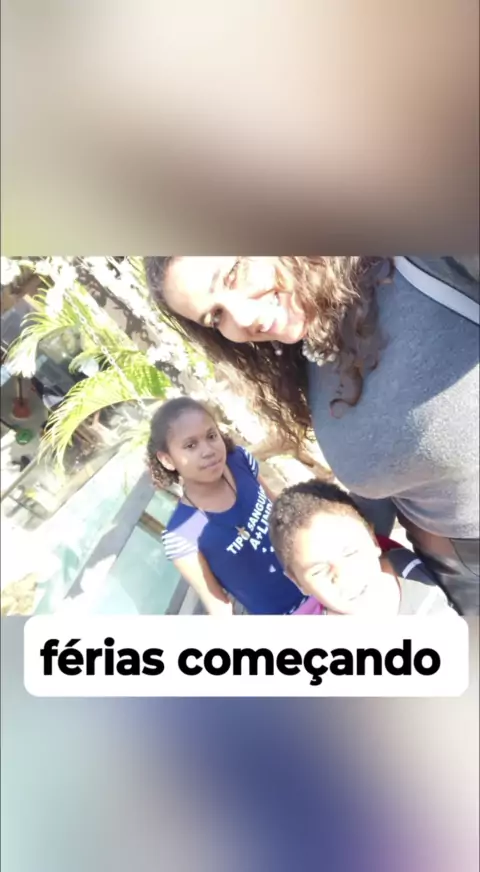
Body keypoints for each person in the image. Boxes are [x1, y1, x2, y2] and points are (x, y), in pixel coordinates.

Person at [145, 256, 479, 615]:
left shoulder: (418, 258)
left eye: (232, 274)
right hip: (454, 570)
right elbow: (391, 470)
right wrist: (343, 563)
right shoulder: (306, 352)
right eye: (216, 316)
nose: (242, 319)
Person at [147, 397, 305, 616]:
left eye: (211, 436)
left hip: (321, 581)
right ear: (167, 460)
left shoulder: (239, 461)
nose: (208, 450)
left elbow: (281, 509)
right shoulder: (183, 533)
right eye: (191, 445)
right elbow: (218, 605)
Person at [268, 479, 457, 616]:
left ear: (374, 541)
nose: (344, 576)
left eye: (350, 552)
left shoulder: (408, 566)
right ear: (298, 582)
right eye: (318, 571)